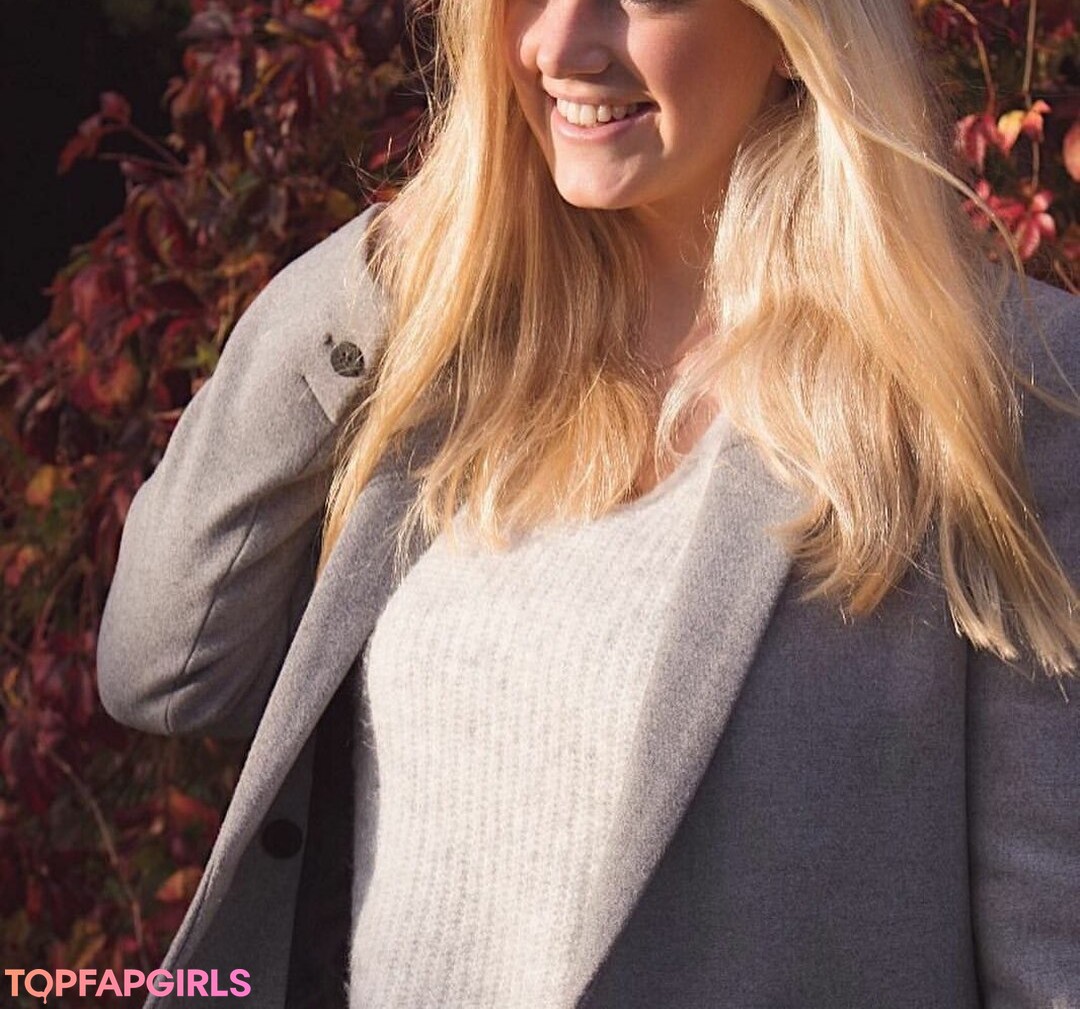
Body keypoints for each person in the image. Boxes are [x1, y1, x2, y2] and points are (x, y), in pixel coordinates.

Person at [96, 0, 1080, 1002]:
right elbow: (164, 671)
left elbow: (1053, 943)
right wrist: (402, 252)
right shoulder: (443, 345)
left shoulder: (1001, 386)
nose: (560, 45)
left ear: (795, 34)